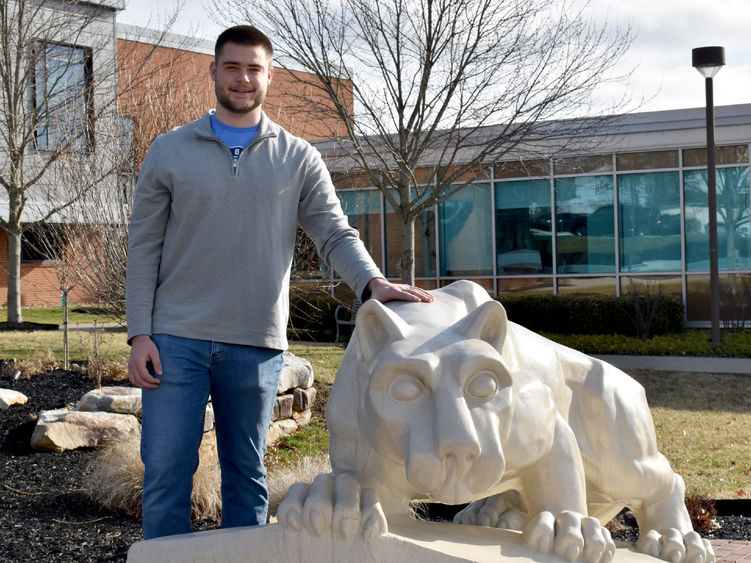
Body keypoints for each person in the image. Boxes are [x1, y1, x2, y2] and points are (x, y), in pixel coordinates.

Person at [126, 25, 433, 540]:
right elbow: (143, 246)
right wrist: (140, 334)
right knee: (164, 478)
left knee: (247, 479)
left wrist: (373, 283)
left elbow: (334, 233)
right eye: (232, 66)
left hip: (256, 345)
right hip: (175, 339)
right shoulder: (169, 150)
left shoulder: (299, 158)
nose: (242, 79)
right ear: (214, 71)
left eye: (254, 68)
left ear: (270, 76)